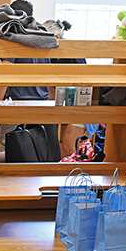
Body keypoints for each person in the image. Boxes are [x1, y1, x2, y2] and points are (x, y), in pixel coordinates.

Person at [0, 0, 54, 151]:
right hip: (40, 106)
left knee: (9, 153)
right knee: (36, 154)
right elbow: (50, 75)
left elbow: (5, 72)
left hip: (16, 106)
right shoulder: (43, 36)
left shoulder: (15, 36)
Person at [43, 19, 100, 158]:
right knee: (65, 144)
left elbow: (85, 87)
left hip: (83, 104)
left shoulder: (72, 55)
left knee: (70, 145)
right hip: (69, 105)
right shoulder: (51, 57)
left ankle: (81, 175)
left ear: (56, 38)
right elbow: (51, 89)